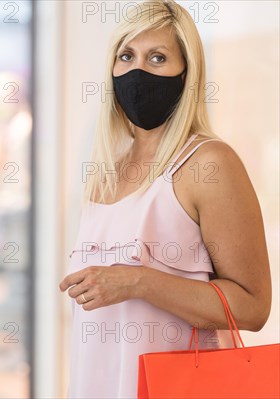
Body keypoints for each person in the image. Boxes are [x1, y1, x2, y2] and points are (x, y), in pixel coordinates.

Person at [59, 1, 272, 398]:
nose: (138, 72)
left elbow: (253, 307)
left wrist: (139, 281)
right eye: (127, 56)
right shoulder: (105, 175)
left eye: (158, 58)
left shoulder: (208, 163)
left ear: (186, 74)